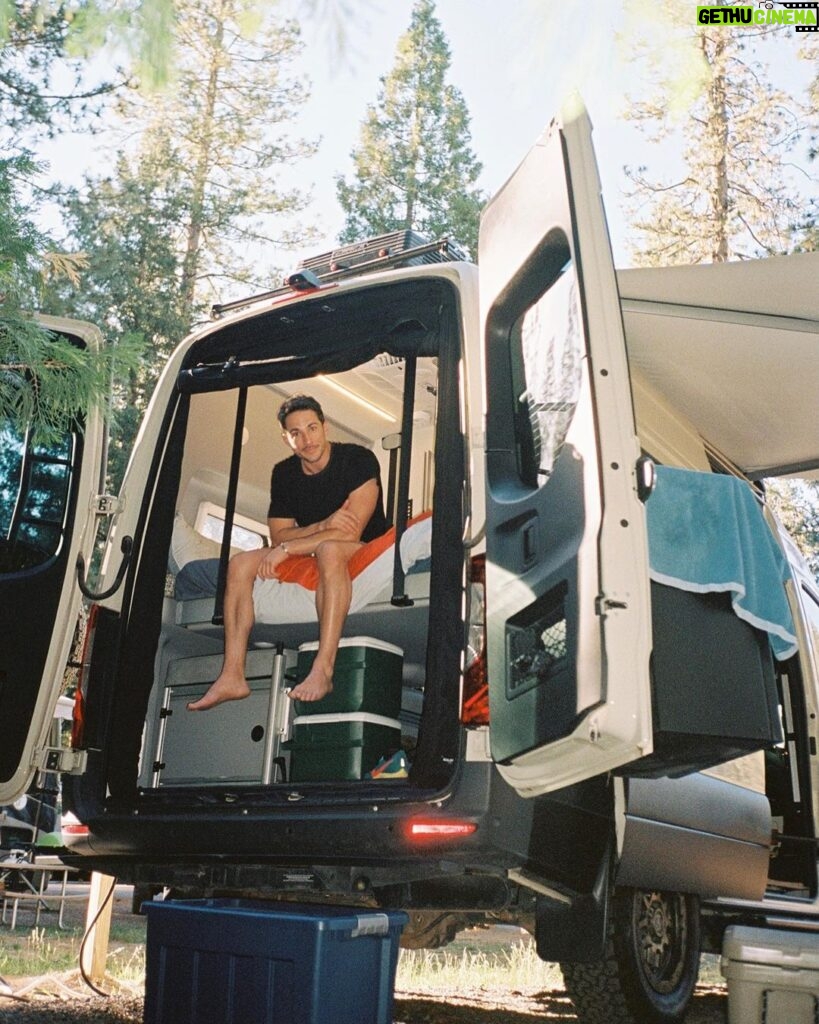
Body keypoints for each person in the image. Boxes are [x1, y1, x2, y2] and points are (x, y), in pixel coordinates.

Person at [187, 394, 388, 711]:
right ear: (286, 438)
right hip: (310, 548)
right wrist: (320, 524)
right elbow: (277, 533)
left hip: (363, 548)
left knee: (330, 549)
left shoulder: (357, 460)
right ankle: (232, 675)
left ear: (325, 426)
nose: (306, 439)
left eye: (311, 428)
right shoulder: (284, 474)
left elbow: (349, 531)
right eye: (296, 433)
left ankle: (323, 668)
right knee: (239, 563)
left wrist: (288, 547)